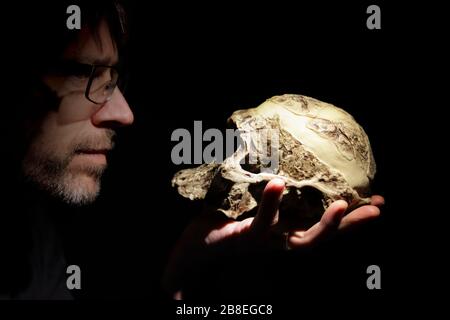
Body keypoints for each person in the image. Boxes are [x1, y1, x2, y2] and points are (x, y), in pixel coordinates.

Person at [1, 0, 383, 300]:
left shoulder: (27, 240)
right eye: (81, 73)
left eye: (114, 79)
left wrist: (186, 270)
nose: (124, 114)